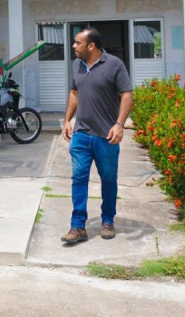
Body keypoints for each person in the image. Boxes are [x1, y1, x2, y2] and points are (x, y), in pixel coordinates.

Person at [61, 28, 133, 243]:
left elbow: (127, 94)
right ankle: (77, 226)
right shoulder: (76, 65)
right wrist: (67, 120)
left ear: (90, 46)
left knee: (109, 179)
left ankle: (108, 220)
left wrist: (119, 124)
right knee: (78, 179)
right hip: (81, 134)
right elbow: (75, 93)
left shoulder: (114, 64)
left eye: (77, 43)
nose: (74, 46)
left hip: (106, 135)